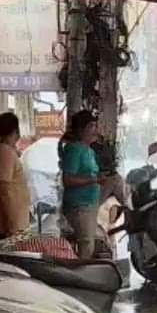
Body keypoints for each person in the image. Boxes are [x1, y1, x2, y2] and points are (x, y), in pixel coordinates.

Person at [59, 110, 102, 258]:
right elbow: (68, 180)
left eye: (95, 126)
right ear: (81, 129)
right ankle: (82, 277)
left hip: (90, 203)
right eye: (92, 126)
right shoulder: (74, 149)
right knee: (86, 245)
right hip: (79, 206)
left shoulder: (89, 151)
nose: (95, 130)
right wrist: (94, 180)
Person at [0, 111, 31, 241]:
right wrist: (11, 224)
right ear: (16, 131)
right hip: (11, 225)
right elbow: (3, 189)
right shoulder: (4, 153)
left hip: (11, 222)